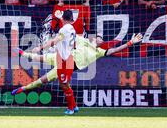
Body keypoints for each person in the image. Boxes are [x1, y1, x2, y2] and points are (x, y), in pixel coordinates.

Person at [12, 33, 144, 109]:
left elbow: (114, 50)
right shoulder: (82, 40)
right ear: (94, 38)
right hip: (62, 57)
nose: (102, 40)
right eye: (100, 38)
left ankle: (23, 89)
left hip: (67, 67)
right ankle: (24, 54)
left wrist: (130, 42)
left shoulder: (99, 51)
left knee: (42, 81)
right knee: (39, 58)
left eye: (102, 40)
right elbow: (68, 36)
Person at [22, 9, 78, 115]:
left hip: (64, 60)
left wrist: (40, 47)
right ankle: (74, 106)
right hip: (69, 58)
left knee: (64, 84)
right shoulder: (72, 28)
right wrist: (61, 17)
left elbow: (54, 41)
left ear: (64, 19)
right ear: (71, 19)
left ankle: (71, 108)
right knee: (64, 84)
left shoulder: (63, 30)